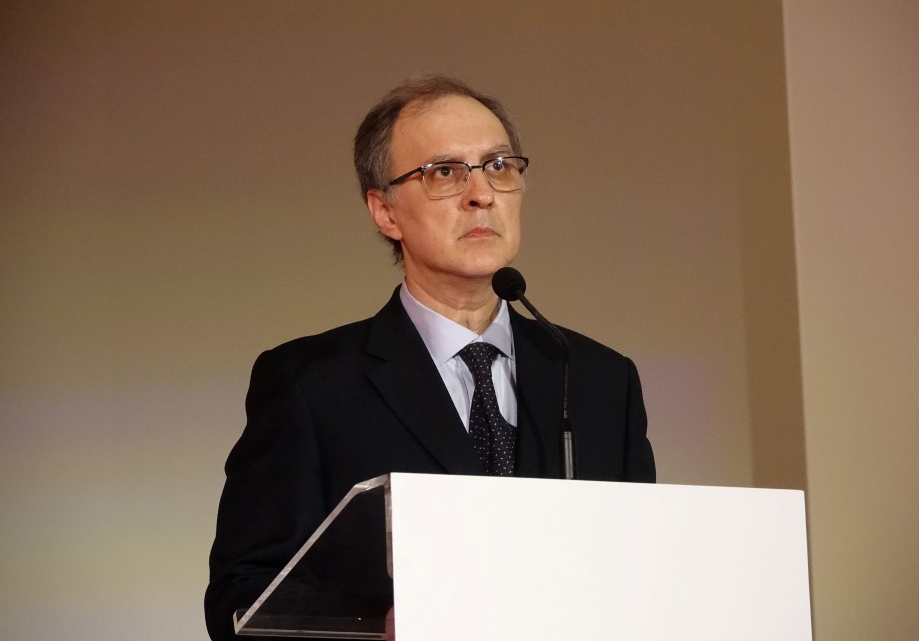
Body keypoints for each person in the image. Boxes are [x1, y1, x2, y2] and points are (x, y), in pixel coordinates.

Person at [204, 75, 656, 640]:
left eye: (499, 166)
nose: (481, 194)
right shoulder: (311, 385)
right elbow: (242, 597)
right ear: (385, 212)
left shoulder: (598, 380)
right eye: (444, 172)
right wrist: (376, 630)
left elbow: (644, 576)